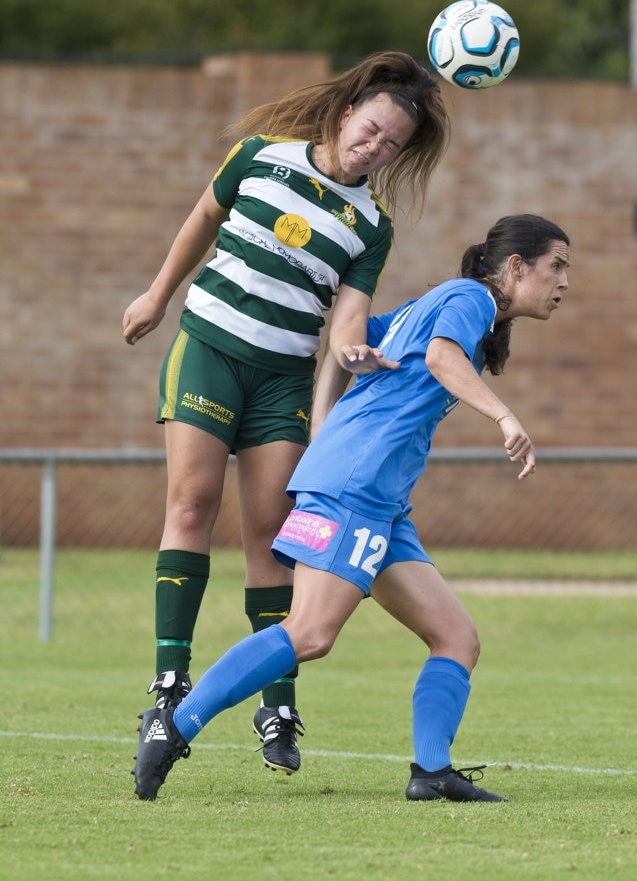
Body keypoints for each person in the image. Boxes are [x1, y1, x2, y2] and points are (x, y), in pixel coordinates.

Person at [132, 213, 571, 802]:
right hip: (356, 487)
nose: (565, 282)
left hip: (380, 498)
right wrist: (504, 415)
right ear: (516, 267)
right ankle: (174, 725)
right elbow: (442, 358)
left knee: (455, 637)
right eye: (557, 266)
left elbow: (345, 347)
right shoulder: (469, 298)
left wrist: (322, 424)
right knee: (310, 632)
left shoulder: (442, 301)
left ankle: (431, 772)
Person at [122, 51, 450, 774]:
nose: (377, 148)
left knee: (275, 537)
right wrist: (156, 296)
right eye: (371, 130)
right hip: (209, 348)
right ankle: (169, 686)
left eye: (392, 144)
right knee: (191, 504)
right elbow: (202, 218)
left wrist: (356, 350)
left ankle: (278, 705)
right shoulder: (260, 158)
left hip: (281, 382)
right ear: (345, 115)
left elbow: (348, 315)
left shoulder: (371, 224)